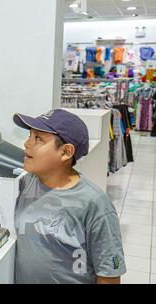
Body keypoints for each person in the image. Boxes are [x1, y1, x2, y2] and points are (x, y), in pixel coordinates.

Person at [12, 109, 126, 284]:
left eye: (38, 138)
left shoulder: (95, 203)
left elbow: (109, 275)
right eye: (30, 136)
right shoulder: (25, 184)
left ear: (66, 152)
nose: (27, 144)